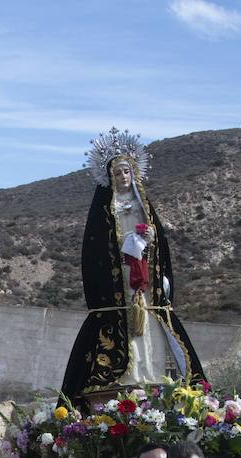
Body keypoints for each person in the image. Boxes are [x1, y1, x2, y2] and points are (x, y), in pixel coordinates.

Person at [59, 128, 206, 403]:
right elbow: (96, 249)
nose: (123, 177)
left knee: (148, 321)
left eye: (127, 172)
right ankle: (127, 376)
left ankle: (153, 372)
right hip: (119, 281)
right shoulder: (106, 209)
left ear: (134, 173)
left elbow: (160, 243)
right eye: (118, 173)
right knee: (126, 321)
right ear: (110, 177)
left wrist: (150, 239)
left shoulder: (143, 205)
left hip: (143, 278)